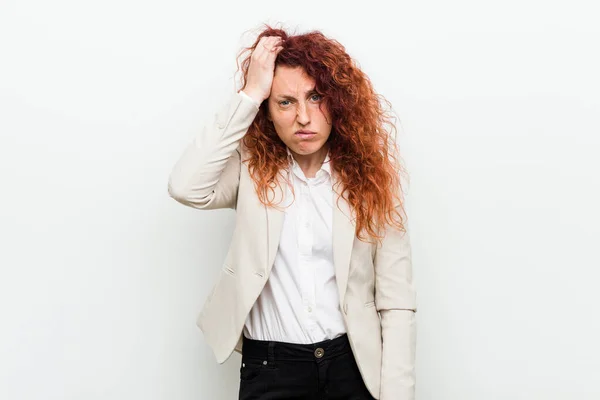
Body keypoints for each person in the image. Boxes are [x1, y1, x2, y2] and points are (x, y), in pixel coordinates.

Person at [168, 25, 417, 400]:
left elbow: (396, 301)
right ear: (267, 110)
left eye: (316, 97)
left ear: (338, 101)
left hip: (352, 366)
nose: (303, 117)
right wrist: (250, 93)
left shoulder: (372, 179)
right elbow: (186, 186)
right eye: (285, 102)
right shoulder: (251, 170)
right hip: (270, 369)